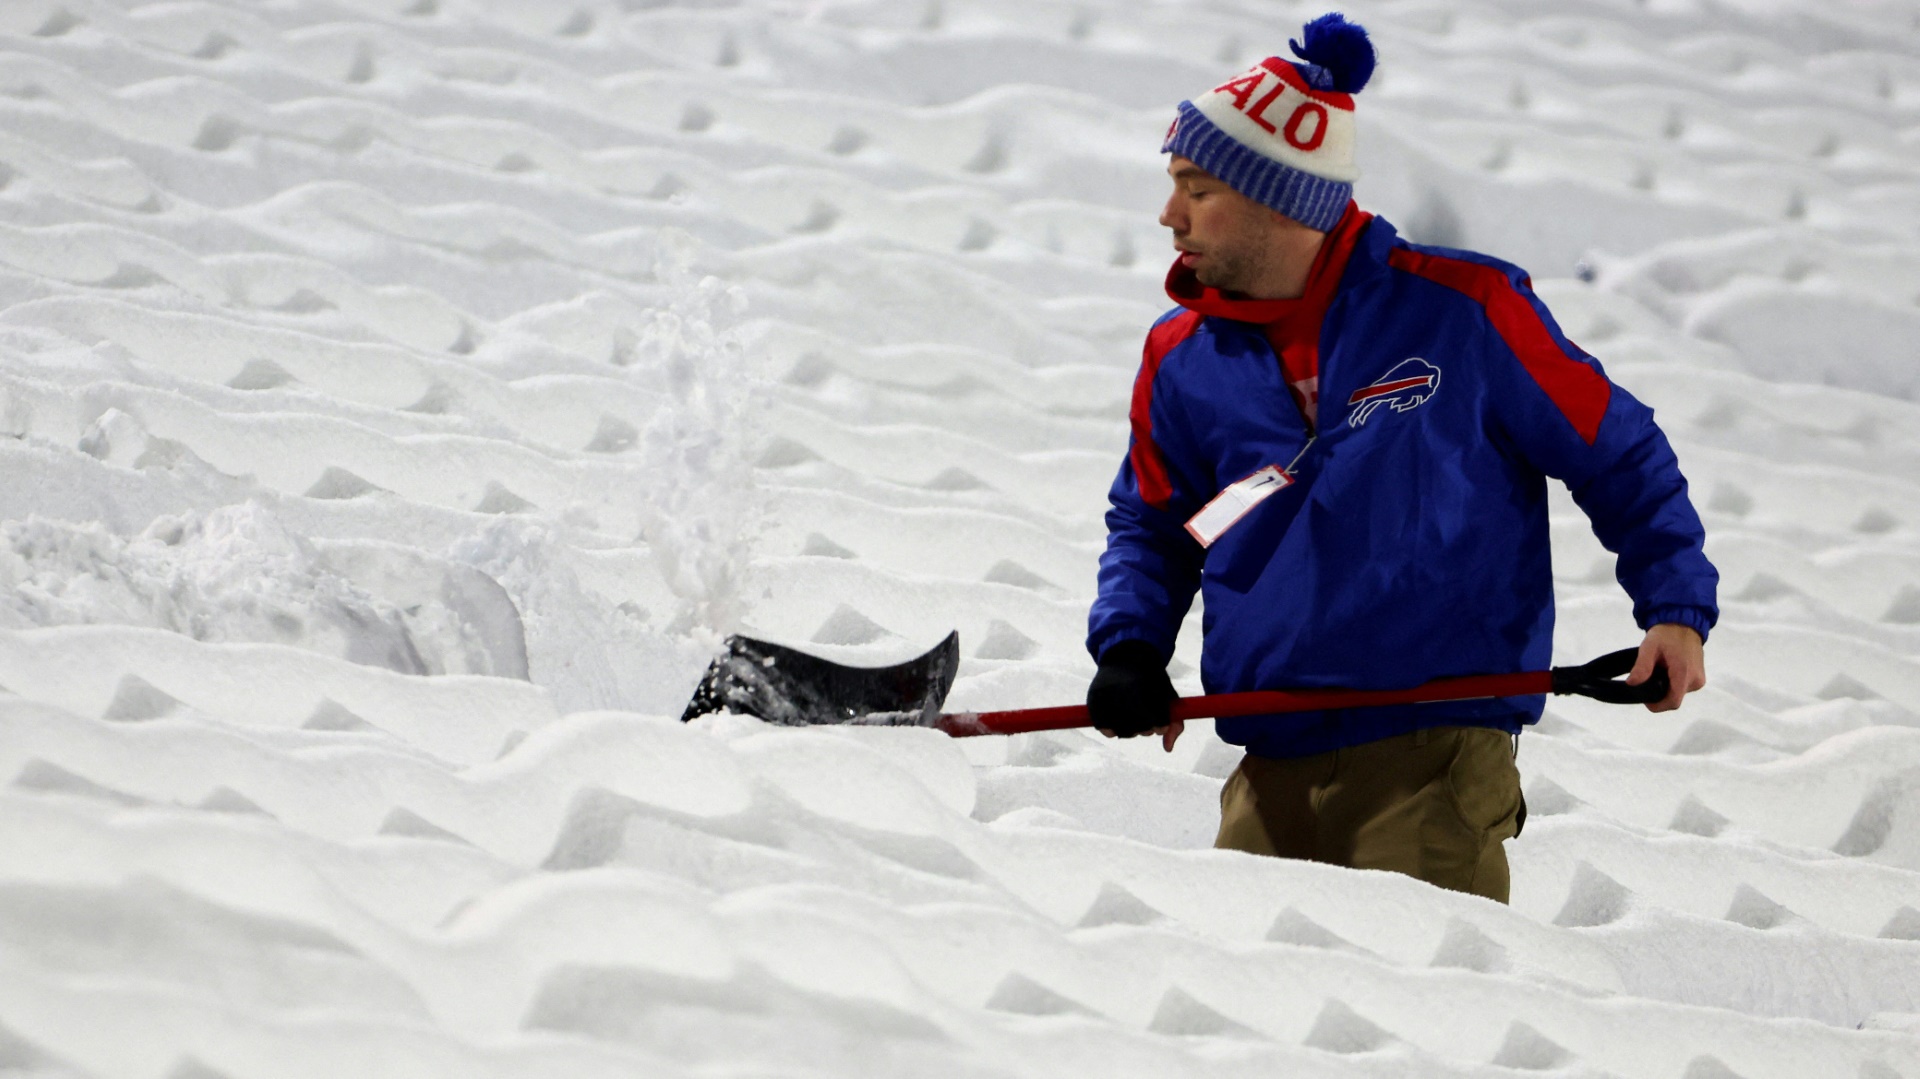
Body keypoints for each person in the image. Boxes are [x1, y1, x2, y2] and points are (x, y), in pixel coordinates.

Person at [1083, 13, 1718, 904]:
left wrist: (1675, 606)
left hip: (1435, 751)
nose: (1168, 213)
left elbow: (1617, 450)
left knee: (1417, 1011)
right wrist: (1131, 645)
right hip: (1268, 755)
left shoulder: (1465, 311)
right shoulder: (1182, 356)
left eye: (1197, 186)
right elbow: (1156, 524)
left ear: (1280, 197)